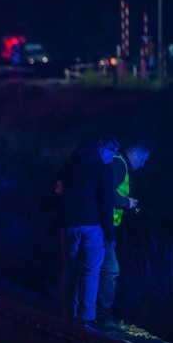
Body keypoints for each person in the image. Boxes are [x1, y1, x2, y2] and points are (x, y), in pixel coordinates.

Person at [59, 135, 118, 326]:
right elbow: (106, 204)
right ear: (105, 149)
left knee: (70, 270)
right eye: (113, 154)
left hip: (68, 225)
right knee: (91, 272)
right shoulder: (103, 169)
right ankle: (86, 318)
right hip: (93, 227)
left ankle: (68, 314)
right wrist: (110, 234)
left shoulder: (68, 165)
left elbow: (58, 193)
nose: (112, 159)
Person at [97, 143, 151, 326]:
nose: (143, 165)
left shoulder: (120, 164)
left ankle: (84, 311)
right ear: (134, 154)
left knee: (92, 268)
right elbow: (108, 194)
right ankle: (102, 315)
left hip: (104, 226)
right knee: (111, 270)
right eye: (142, 160)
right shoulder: (120, 165)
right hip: (103, 226)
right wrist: (127, 202)